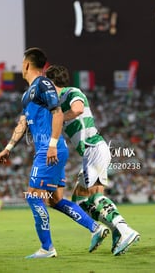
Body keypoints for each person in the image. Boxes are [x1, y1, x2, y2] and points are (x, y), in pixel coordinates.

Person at [0, 47, 108, 259]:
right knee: (55, 200)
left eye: (22, 63)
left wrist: (53, 144)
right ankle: (96, 228)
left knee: (33, 196)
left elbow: (57, 112)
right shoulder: (27, 95)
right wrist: (8, 147)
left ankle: (47, 248)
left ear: (27, 64)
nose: (21, 66)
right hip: (48, 149)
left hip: (49, 149)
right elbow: (22, 124)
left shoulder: (43, 83)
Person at [45, 64, 140, 256]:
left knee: (96, 197)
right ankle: (111, 230)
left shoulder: (72, 92)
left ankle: (124, 230)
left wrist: (61, 118)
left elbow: (78, 109)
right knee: (79, 199)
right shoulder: (58, 102)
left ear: (52, 82)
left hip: (94, 148)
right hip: (91, 152)